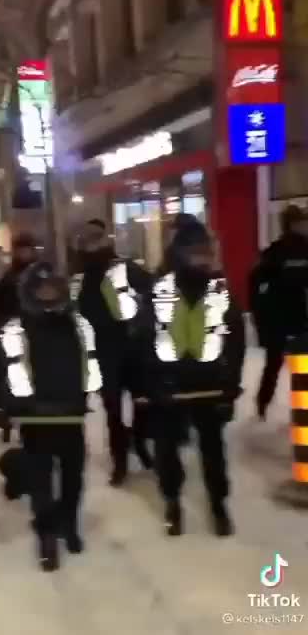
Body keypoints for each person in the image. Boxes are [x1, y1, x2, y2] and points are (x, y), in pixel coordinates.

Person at [130, 219, 245, 536]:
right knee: (167, 450)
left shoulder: (219, 292)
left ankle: (219, 504)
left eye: (207, 253)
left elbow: (235, 342)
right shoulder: (159, 293)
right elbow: (143, 343)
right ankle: (172, 501)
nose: (203, 259)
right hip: (170, 386)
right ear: (180, 254)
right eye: (196, 253)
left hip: (209, 386)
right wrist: (152, 386)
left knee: (213, 450)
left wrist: (230, 386)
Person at [0, 261, 101, 572]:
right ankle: (47, 532)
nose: (47, 294)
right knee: (41, 480)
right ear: (30, 293)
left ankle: (69, 521)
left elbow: (91, 361)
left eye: (53, 288)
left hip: (72, 415)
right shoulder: (16, 328)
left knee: (73, 477)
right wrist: (1, 405)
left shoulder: (78, 325)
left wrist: (88, 394)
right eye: (41, 289)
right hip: (35, 417)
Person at [72, 219, 152, 485]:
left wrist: (143, 324)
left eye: (98, 239)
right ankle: (120, 461)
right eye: (89, 241)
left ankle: (139, 442)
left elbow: (152, 292)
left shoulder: (124, 268)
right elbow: (74, 315)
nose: (94, 245)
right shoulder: (80, 278)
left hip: (133, 348)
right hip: (104, 353)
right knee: (113, 410)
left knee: (143, 404)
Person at [250, 205, 308, 420]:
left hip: (280, 322)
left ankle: (263, 405)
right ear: (293, 224)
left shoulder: (272, 253)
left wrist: (261, 320)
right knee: (298, 368)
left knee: (274, 365)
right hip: (296, 320)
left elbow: (257, 287)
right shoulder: (284, 253)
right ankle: (301, 414)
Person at [0, 233, 38, 343]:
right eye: (20, 250)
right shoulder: (6, 282)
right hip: (14, 338)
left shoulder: (42, 277)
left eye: (26, 250)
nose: (23, 254)